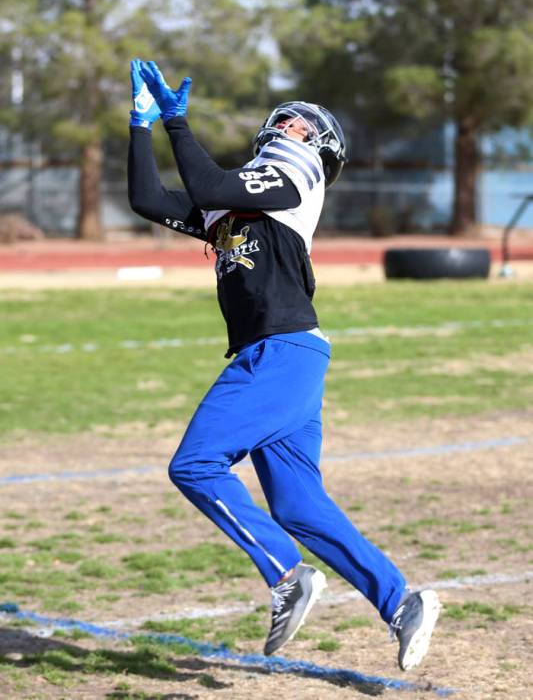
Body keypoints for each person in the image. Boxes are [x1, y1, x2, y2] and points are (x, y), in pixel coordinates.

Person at [127, 58, 440, 670]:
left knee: (194, 465)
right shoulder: (235, 201)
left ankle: (286, 576)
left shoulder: (295, 182)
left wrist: (177, 123)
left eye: (303, 125)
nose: (289, 125)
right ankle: (403, 602)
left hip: (280, 351)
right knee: (299, 505)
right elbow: (147, 198)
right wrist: (140, 124)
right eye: (286, 119)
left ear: (320, 148)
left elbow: (210, 185)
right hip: (279, 355)